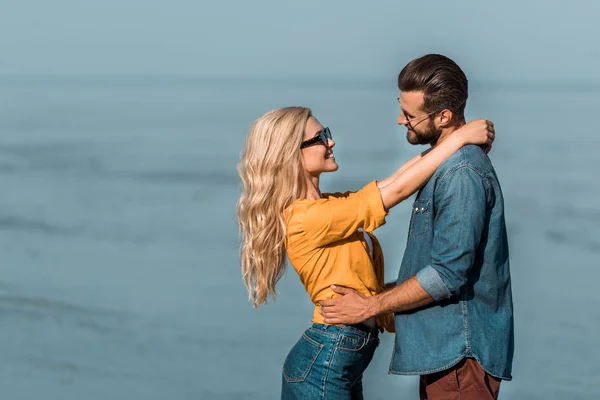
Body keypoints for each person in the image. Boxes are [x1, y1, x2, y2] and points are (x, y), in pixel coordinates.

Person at [237, 104, 494, 399]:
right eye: (320, 137)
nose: (330, 142)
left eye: (327, 134)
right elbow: (396, 191)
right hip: (324, 362)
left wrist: (453, 139)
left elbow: (395, 179)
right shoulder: (306, 217)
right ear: (291, 154)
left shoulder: (328, 207)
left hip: (339, 360)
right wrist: (459, 140)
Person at [320, 54, 514, 400]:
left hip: (459, 357)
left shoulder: (460, 174)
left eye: (410, 115)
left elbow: (446, 275)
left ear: (443, 116)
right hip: (448, 356)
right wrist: (375, 295)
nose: (400, 120)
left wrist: (369, 307)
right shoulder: (447, 164)